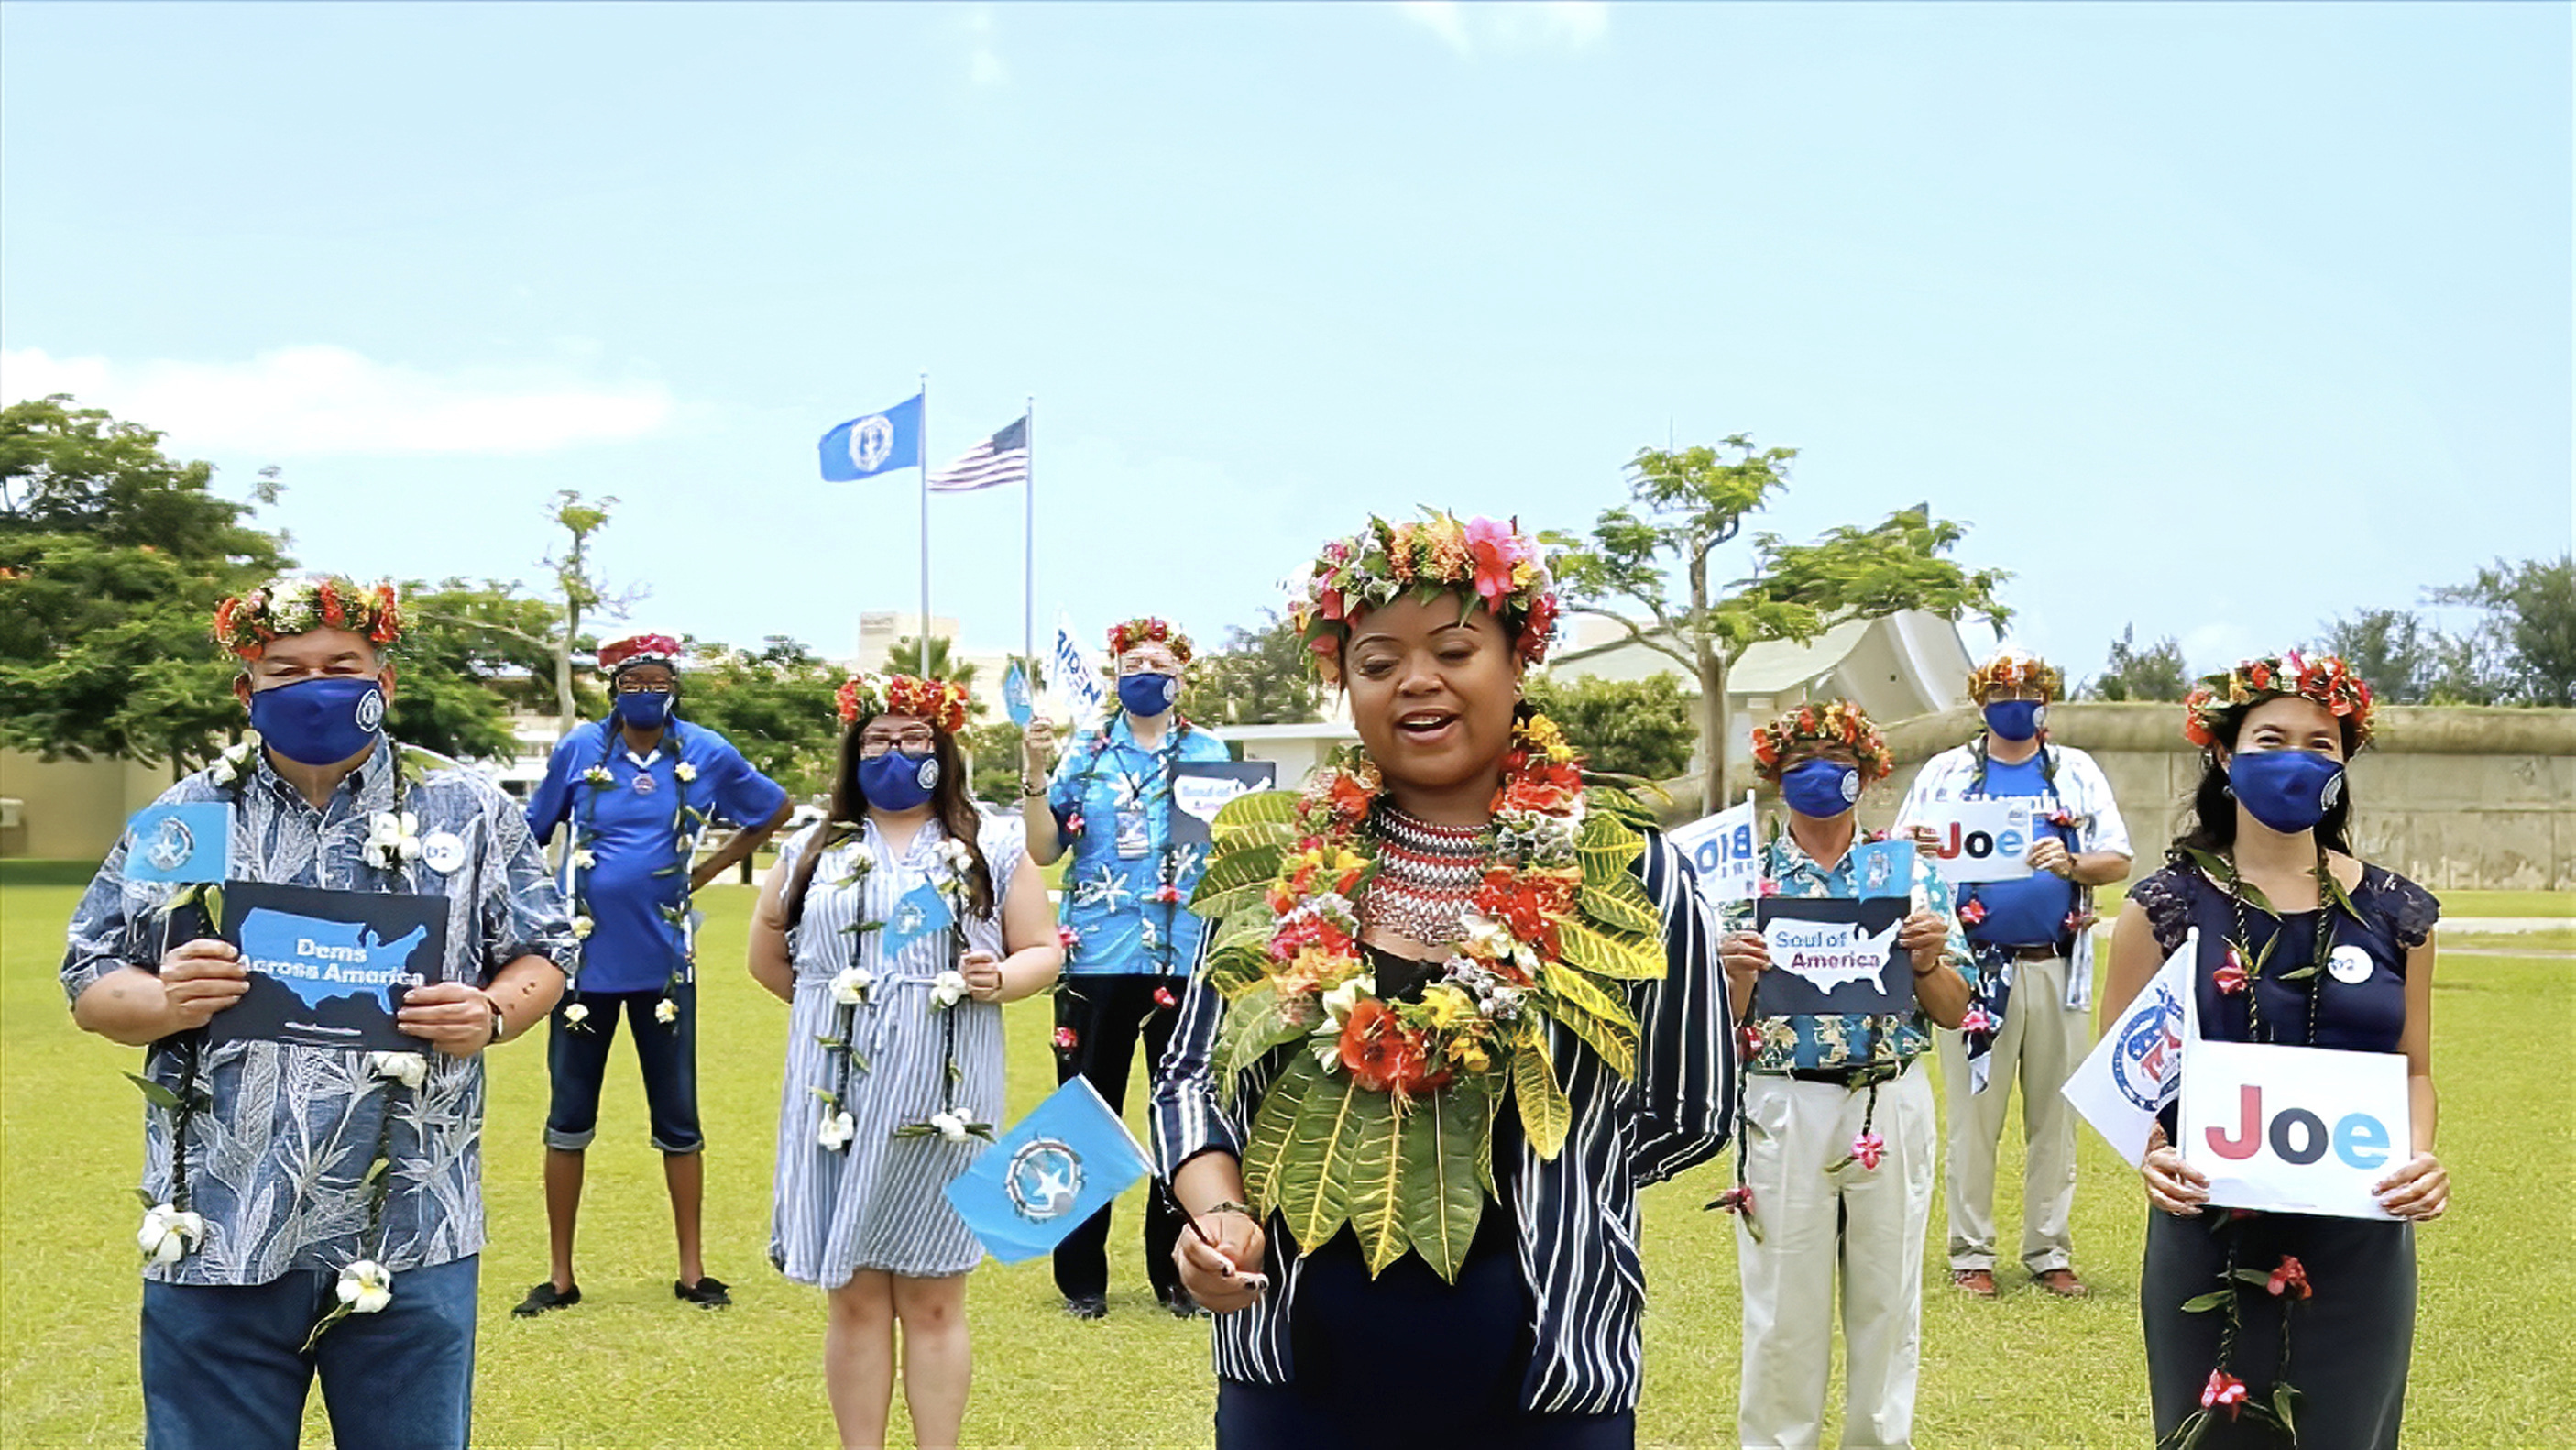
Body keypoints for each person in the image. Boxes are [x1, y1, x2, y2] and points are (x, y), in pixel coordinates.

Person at [1151, 513, 1734, 1449]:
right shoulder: (1277, 864)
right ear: (1348, 687)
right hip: (1296, 1378)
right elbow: (1191, 1079)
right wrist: (1220, 1213)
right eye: (1377, 662)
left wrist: (1549, 1178)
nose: (1416, 680)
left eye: (1454, 648)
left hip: (1550, 1376)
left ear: (1517, 660)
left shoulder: (1629, 868)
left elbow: (1691, 1104)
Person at [62, 575, 571, 1450]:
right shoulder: (187, 817)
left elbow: (547, 950)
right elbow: (89, 974)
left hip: (412, 1226)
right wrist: (159, 999)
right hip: (218, 1224)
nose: (315, 685)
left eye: (343, 665)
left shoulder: (470, 809)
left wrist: (490, 1012)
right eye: (284, 670)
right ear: (246, 689)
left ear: (385, 682)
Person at [2103, 653, 2444, 1449]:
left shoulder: (2398, 914)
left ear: (2344, 760)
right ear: (2222, 755)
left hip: (2359, 1237)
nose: (2294, 758)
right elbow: (2118, 1080)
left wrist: (2418, 1158)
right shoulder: (2161, 909)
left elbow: (2415, 1070)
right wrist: (2149, 1154)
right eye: (2269, 739)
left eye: (2319, 743)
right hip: (2210, 1236)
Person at [748, 672, 1063, 1450]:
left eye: (913, 738)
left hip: (942, 1097)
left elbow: (1041, 951)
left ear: (943, 748)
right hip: (837, 1101)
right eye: (878, 738)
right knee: (852, 1299)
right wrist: (846, 1013)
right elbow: (767, 959)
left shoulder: (987, 843)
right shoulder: (811, 848)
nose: (894, 752)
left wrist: (998, 979)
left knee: (931, 1298)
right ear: (854, 752)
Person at [1712, 699, 1973, 1450]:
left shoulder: (1907, 873)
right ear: (1774, 779)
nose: (1820, 780)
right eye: (1798, 768)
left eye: (1838, 765)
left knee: (1887, 1303)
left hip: (1887, 1098)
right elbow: (1715, 1031)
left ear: (1866, 776)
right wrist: (1734, 976)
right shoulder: (1744, 879)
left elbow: (1955, 1010)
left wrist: (1925, 961)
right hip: (1781, 1101)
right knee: (1780, 1310)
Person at [516, 630, 793, 1316]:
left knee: (678, 1116)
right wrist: (537, 909)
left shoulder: (705, 750)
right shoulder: (581, 748)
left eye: (657, 683)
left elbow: (774, 809)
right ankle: (558, 1276)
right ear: (611, 687)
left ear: (676, 687)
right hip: (581, 963)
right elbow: (531, 831)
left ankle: (693, 1270)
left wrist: (705, 872)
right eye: (632, 683)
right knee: (568, 1114)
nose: (645, 695)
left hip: (665, 963)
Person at [1892, 647, 2131, 1300]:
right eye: (2001, 693)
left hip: (2056, 964)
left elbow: (2119, 859)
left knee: (2055, 1116)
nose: (2014, 701)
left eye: (2027, 690)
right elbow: (1893, 854)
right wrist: (1912, 849)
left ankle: (2048, 1249)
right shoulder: (1945, 774)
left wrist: (2073, 861)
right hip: (1969, 974)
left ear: (2046, 700)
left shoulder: (2074, 772)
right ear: (1980, 703)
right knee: (1974, 1117)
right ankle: (1971, 1251)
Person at [1018, 617, 1233, 1319]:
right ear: (1114, 677)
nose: (1145, 671)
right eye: (1131, 661)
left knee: (1182, 1116)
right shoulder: (1084, 753)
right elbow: (1046, 850)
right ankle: (1081, 1278)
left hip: (1183, 956)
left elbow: (1225, 851)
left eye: (1158, 661)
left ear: (1180, 676)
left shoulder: (1208, 752)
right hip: (1097, 958)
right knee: (1087, 1115)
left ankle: (1177, 1271)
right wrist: (1035, 771)